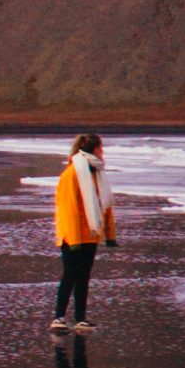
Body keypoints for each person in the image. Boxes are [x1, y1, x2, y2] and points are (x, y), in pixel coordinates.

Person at [51, 132, 117, 334]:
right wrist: (73, 239)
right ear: (93, 149)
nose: (103, 151)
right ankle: (59, 317)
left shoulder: (96, 173)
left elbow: (104, 204)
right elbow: (68, 208)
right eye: (100, 147)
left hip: (90, 233)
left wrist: (110, 234)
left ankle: (80, 318)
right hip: (72, 236)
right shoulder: (72, 174)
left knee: (84, 276)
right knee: (70, 274)